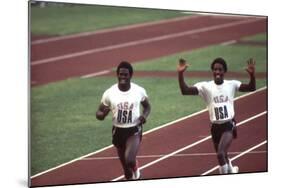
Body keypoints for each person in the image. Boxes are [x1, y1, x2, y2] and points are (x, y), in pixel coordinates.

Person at [177, 57, 256, 174]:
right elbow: (185, 91)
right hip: (215, 127)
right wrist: (180, 74)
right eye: (215, 69)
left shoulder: (232, 84)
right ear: (212, 71)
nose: (217, 72)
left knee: (220, 153)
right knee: (223, 154)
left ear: (224, 71)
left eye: (220, 69)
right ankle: (232, 170)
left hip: (228, 125)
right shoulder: (205, 86)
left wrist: (252, 75)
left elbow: (251, 87)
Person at [96, 61, 151, 180]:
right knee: (126, 172)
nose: (123, 77)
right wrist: (103, 115)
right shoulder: (109, 93)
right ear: (117, 75)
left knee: (130, 160)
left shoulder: (138, 91)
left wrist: (144, 116)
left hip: (134, 129)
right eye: (120, 74)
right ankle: (130, 174)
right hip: (118, 131)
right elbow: (98, 113)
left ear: (130, 75)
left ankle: (137, 170)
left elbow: (147, 107)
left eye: (125, 74)